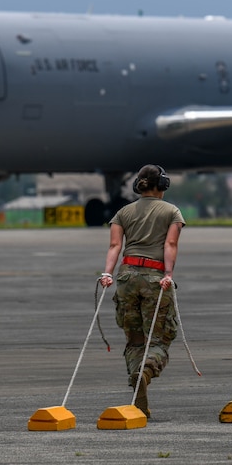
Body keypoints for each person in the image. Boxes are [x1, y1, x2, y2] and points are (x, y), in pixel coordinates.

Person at [98, 164, 185, 419]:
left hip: (126, 277)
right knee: (158, 339)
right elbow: (170, 243)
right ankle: (145, 372)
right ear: (164, 185)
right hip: (154, 279)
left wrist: (107, 273)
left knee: (134, 339)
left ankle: (138, 390)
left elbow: (115, 245)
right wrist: (168, 274)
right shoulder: (172, 212)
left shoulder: (123, 212)